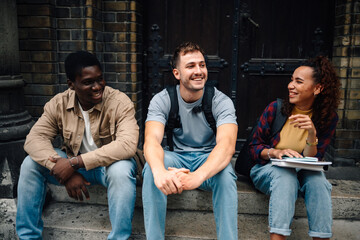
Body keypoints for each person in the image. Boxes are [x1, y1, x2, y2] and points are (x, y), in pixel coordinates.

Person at [16, 51, 139, 240]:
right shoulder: (58, 104)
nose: (98, 87)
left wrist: (74, 163)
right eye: (89, 82)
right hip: (75, 167)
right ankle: (28, 237)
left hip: (108, 168)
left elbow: (127, 145)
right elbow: (34, 139)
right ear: (71, 84)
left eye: (100, 79)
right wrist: (64, 171)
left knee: (121, 170)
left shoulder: (119, 102)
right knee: (30, 164)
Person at [142, 42, 238, 240]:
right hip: (176, 160)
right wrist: (160, 172)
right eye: (191, 66)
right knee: (152, 169)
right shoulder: (162, 100)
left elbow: (226, 146)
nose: (199, 71)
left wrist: (198, 176)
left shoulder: (221, 101)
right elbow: (151, 140)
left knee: (226, 173)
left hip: (209, 160)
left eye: (202, 65)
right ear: (177, 73)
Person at [249, 56, 340, 240]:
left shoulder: (327, 118)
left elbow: (315, 158)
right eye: (291, 80)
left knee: (318, 181)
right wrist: (275, 152)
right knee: (286, 177)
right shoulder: (276, 109)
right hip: (268, 169)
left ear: (318, 88)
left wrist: (312, 133)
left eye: (298, 82)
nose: (290, 85)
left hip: (302, 172)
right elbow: (253, 148)